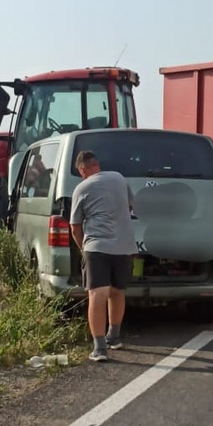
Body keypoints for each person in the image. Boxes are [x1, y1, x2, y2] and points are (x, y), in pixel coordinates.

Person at [70, 150, 137, 362]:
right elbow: (129, 206)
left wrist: (83, 248)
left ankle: (99, 348)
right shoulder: (119, 178)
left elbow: (75, 227)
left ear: (82, 169)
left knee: (97, 294)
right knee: (117, 292)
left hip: (97, 246)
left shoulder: (81, 188)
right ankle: (114, 337)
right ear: (97, 164)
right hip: (124, 245)